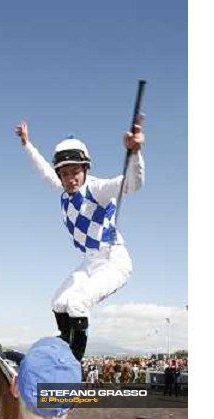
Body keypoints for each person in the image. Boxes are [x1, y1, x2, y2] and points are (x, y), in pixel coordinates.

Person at [15, 120, 145, 361]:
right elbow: (43, 170)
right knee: (59, 302)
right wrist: (27, 144)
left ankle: (73, 363)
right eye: (64, 173)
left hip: (113, 260)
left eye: (75, 171)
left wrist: (135, 153)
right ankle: (64, 346)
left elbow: (133, 183)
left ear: (85, 169)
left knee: (76, 303)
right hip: (90, 261)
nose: (70, 178)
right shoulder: (63, 189)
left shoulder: (99, 189)